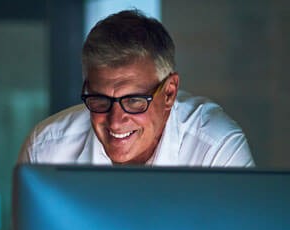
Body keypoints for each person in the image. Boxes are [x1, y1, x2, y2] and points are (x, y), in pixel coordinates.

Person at [19, 9, 254, 167]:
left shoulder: (216, 147)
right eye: (100, 99)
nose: (115, 121)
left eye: (133, 101)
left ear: (169, 92)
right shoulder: (47, 150)